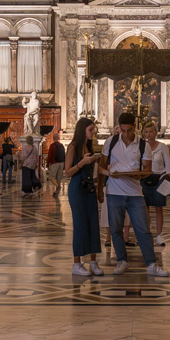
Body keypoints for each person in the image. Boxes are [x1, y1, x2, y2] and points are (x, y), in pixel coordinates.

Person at [104, 111, 166, 276]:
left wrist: (137, 174)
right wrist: (109, 175)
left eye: (129, 130)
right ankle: (122, 261)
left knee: (143, 230)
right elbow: (102, 166)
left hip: (135, 193)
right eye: (122, 130)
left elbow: (148, 169)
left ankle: (152, 264)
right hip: (114, 191)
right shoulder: (110, 142)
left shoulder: (142, 145)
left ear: (135, 128)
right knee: (116, 230)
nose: (126, 134)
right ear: (119, 128)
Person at [65, 117, 103, 276]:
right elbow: (67, 172)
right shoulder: (72, 147)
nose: (93, 132)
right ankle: (76, 263)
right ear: (82, 130)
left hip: (89, 188)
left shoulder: (89, 146)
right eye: (90, 129)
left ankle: (93, 262)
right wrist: (82, 162)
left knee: (94, 223)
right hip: (77, 189)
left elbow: (94, 171)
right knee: (80, 225)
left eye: (93, 129)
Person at [141, 121, 170, 246]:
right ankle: (147, 234)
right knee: (145, 208)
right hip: (145, 178)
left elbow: (168, 164)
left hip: (159, 178)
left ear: (156, 133)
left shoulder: (162, 147)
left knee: (158, 208)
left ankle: (159, 235)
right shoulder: (142, 146)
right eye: (146, 132)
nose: (148, 134)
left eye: (151, 132)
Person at [47, 130, 66, 197]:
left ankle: (58, 186)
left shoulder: (52, 146)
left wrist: (47, 163)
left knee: (51, 177)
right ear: (58, 138)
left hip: (54, 163)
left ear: (53, 138)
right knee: (58, 177)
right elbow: (64, 155)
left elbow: (50, 155)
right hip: (61, 163)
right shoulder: (62, 145)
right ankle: (56, 192)